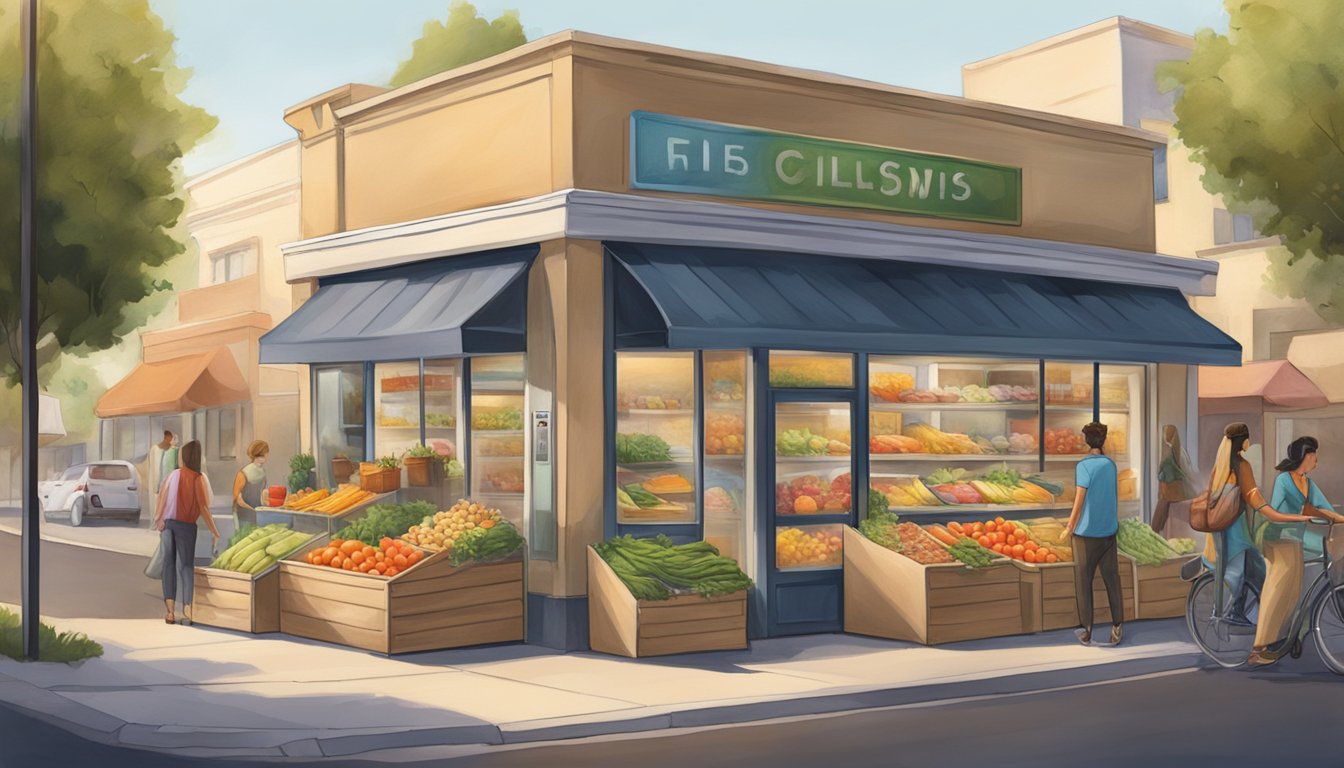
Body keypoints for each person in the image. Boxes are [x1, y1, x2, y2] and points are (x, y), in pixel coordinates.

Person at [1249, 437, 1344, 667]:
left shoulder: (1308, 483)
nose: (1316, 459)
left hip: (1296, 536)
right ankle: (1258, 648)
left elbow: (1324, 507)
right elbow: (1277, 511)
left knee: (1306, 580)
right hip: (1277, 536)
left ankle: (1295, 631)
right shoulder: (1283, 480)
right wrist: (1309, 513)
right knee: (1281, 589)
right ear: (1304, 456)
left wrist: (1338, 518)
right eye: (1313, 455)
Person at [1064, 422, 1124, 646]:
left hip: (1086, 533)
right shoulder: (1110, 465)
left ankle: (1087, 631)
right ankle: (1117, 627)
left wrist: (1069, 526)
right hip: (1109, 531)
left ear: (1085, 441)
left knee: (1084, 582)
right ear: (1103, 440)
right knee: (1112, 580)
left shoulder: (1084, 466)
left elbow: (1079, 501)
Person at [153, 440, 219, 626]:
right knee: (186, 567)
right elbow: (204, 508)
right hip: (187, 527)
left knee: (168, 565)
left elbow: (162, 499)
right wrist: (215, 530)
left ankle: (170, 612)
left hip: (168, 525)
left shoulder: (172, 476)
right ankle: (188, 612)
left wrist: (158, 519)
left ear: (184, 456)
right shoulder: (198, 479)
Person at [1151, 424, 1196, 534]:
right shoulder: (1180, 451)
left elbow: (1168, 475)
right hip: (1180, 489)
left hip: (1172, 489)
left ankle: (1154, 532)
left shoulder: (1169, 454)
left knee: (1161, 508)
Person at [232, 440, 270, 531]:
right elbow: (237, 499)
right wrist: (253, 511)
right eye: (265, 453)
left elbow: (262, 494)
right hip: (244, 516)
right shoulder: (243, 473)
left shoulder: (263, 472)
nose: (267, 456)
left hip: (258, 515)